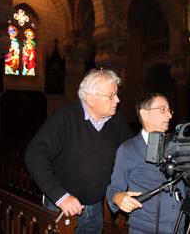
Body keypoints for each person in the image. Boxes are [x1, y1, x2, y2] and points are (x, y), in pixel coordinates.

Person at [25, 69, 133, 233]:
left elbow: (131, 151)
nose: (117, 100)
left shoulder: (117, 120)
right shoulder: (66, 116)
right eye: (111, 96)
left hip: (95, 207)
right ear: (90, 99)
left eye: (116, 94)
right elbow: (34, 155)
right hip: (61, 207)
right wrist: (61, 197)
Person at [106, 93, 186, 234]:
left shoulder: (176, 144)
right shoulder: (128, 149)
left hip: (179, 226)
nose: (169, 115)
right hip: (145, 229)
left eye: (169, 110)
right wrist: (118, 198)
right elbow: (113, 189)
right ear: (145, 114)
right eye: (162, 109)